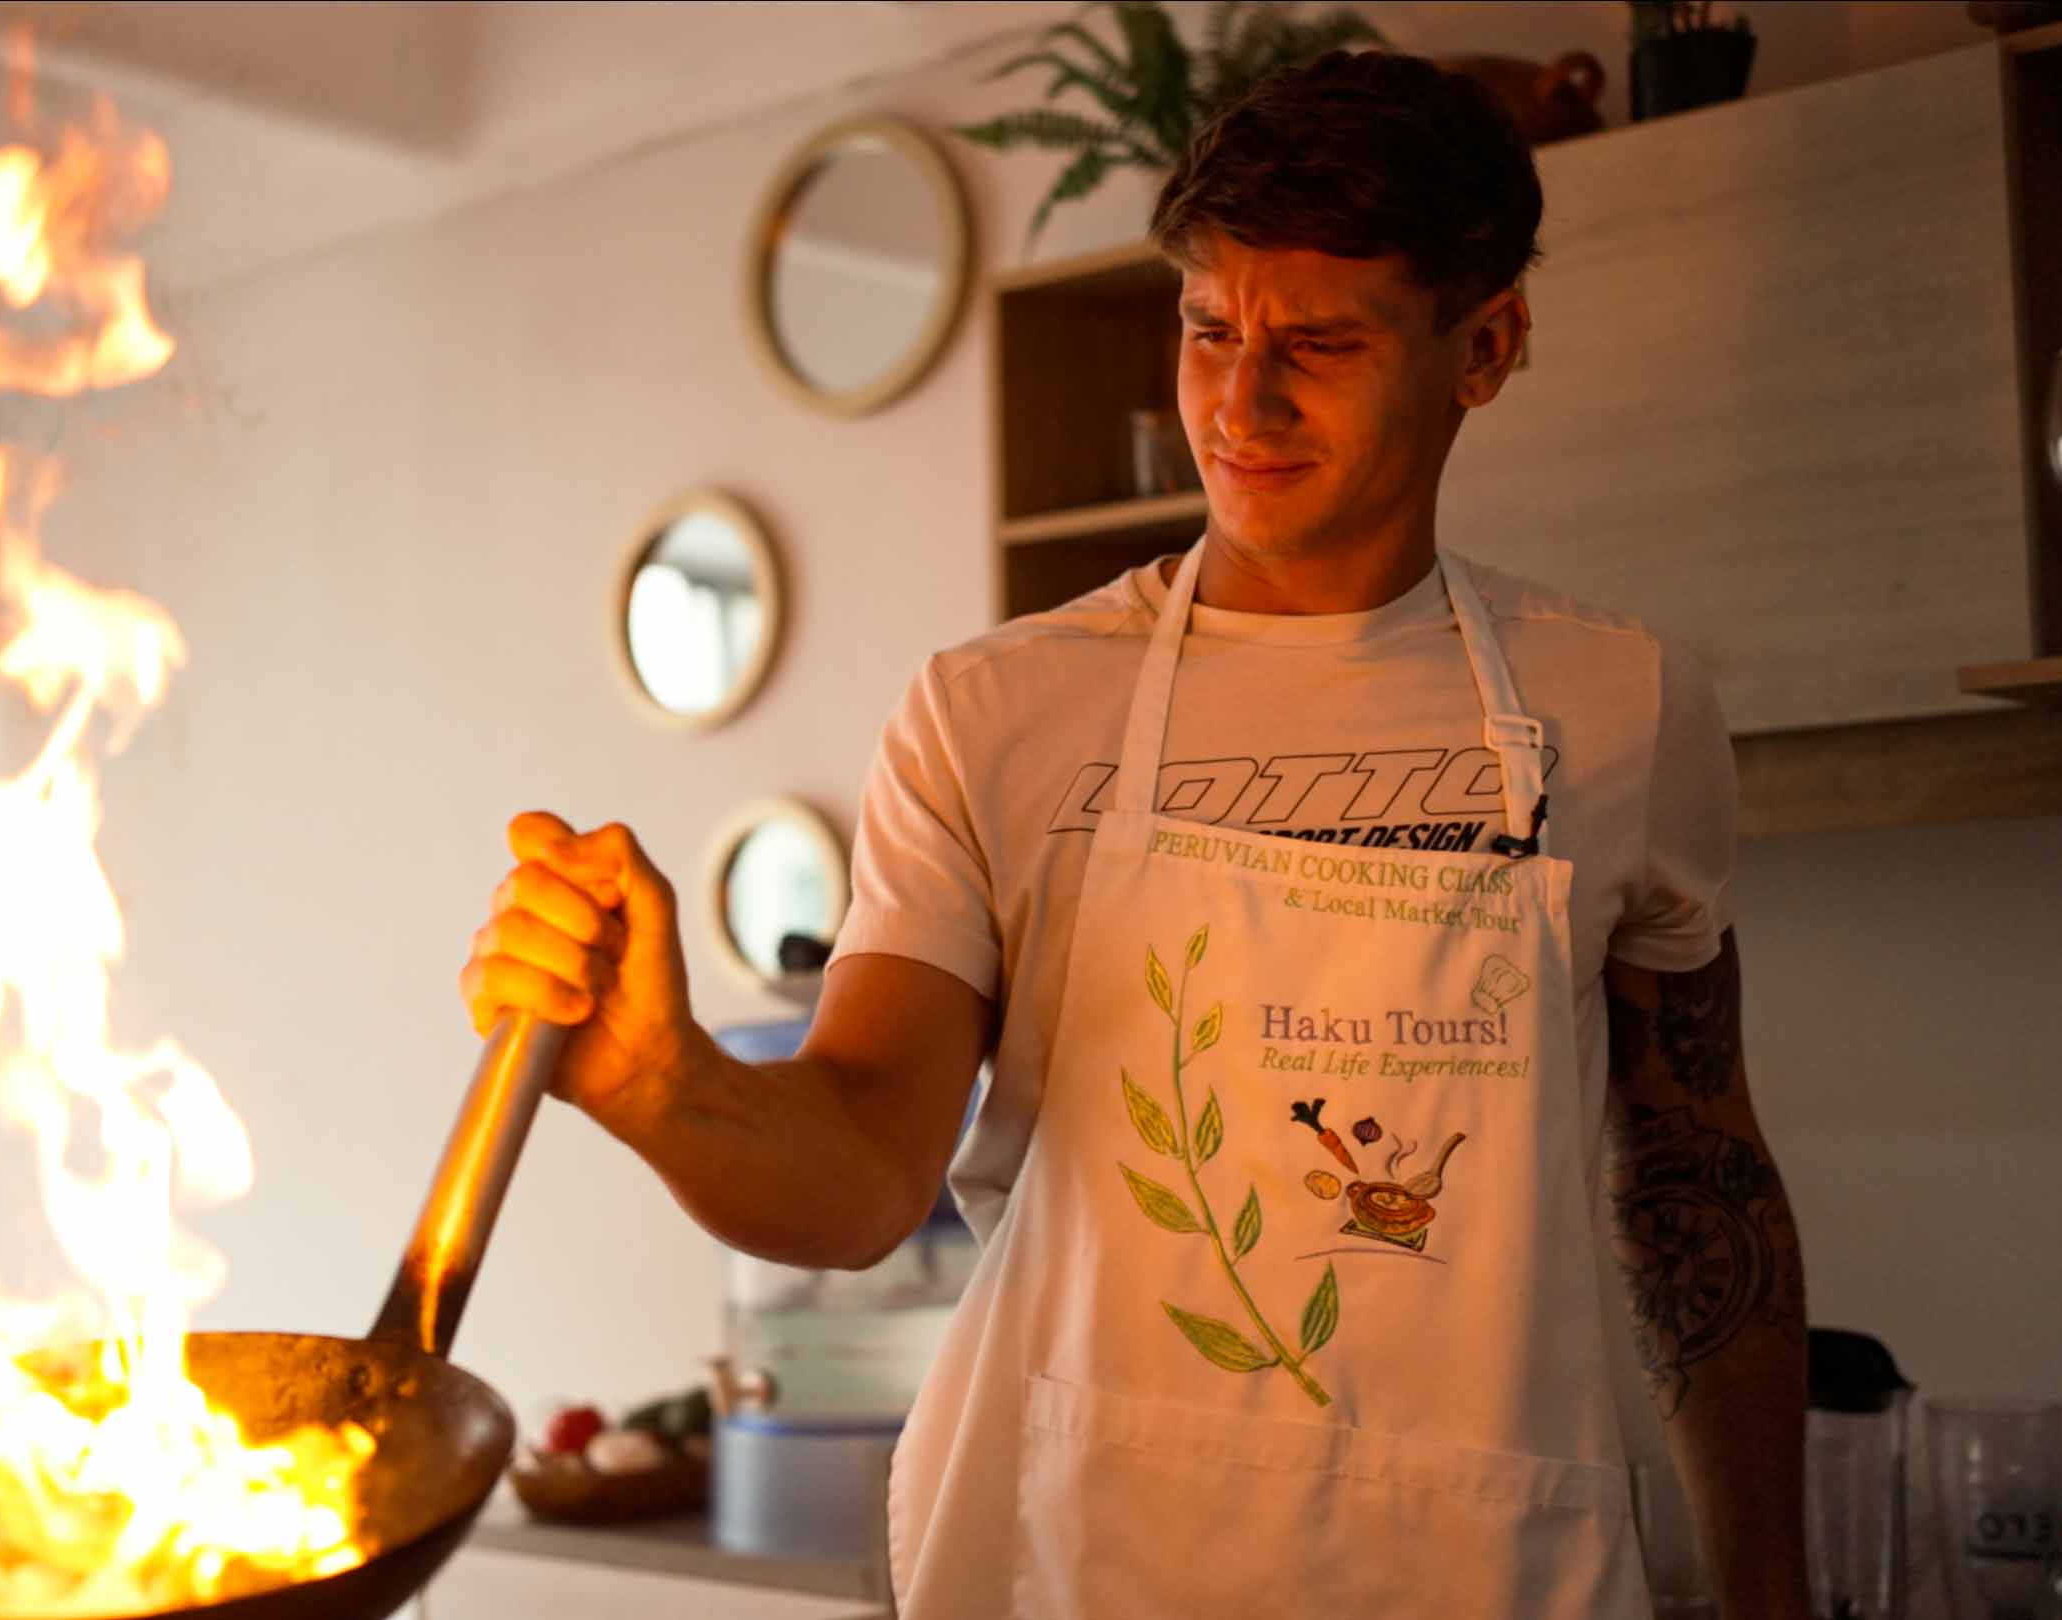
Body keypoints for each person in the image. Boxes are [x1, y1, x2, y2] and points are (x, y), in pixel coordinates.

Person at [459, 50, 1809, 1618]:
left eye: (1320, 342)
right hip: (1071, 1558)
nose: (1240, 403)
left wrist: (1773, 1591)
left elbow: (1699, 1179)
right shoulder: (998, 710)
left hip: (1476, 1559)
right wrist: (662, 1086)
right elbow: (863, 1178)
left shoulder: (1623, 703)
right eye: (1209, 327)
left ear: (1486, 345)